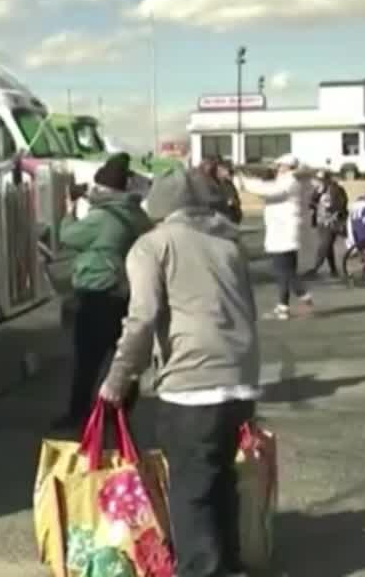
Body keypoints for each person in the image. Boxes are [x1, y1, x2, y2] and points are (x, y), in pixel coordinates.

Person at [98, 164, 260, 577]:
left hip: (192, 383)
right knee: (221, 478)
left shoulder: (153, 246)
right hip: (241, 377)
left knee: (191, 489)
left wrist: (119, 378)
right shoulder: (230, 244)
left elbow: (142, 318)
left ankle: (201, 570)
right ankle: (229, 563)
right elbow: (249, 311)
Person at [51, 153, 150, 430]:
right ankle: (120, 415)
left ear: (104, 189)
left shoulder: (103, 217)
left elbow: (68, 237)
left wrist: (70, 209)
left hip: (98, 293)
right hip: (127, 292)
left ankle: (78, 414)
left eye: (96, 188)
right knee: (124, 357)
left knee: (87, 361)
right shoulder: (137, 214)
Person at [235, 154, 314, 320]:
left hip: (283, 233)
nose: (277, 169)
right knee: (285, 271)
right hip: (284, 232)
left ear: (287, 167)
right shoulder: (291, 180)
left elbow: (267, 190)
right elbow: (267, 185)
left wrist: (244, 181)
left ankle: (304, 296)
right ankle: (283, 307)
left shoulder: (289, 181)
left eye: (280, 166)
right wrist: (247, 177)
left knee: (284, 271)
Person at [305, 169, 347, 279]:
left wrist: (332, 210)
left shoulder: (336, 189)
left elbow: (342, 205)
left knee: (324, 245)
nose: (320, 182)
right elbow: (311, 203)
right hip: (321, 221)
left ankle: (315, 268)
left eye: (322, 179)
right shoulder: (319, 190)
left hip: (332, 222)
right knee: (327, 246)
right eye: (319, 180)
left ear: (328, 179)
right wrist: (317, 196)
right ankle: (333, 270)